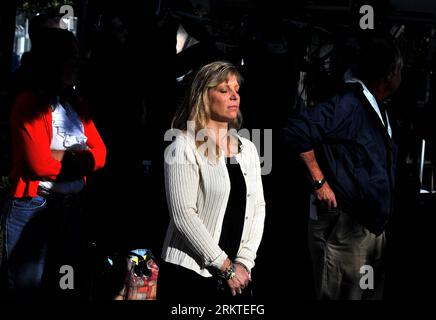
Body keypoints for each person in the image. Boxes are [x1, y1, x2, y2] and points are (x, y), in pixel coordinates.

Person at [285, 37, 403, 300]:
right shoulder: (348, 103)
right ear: (389, 73)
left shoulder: (377, 107)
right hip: (345, 231)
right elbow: (296, 131)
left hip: (371, 231)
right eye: (400, 70)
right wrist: (319, 182)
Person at [0, 28, 106, 299]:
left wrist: (60, 157)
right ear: (52, 62)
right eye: (70, 58)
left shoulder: (76, 104)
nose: (77, 65)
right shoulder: (29, 103)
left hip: (71, 210)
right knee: (28, 290)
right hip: (33, 209)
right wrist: (82, 158)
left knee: (65, 286)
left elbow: (102, 154)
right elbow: (38, 164)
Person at [158, 61, 266, 300]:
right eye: (224, 90)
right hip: (191, 276)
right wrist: (225, 266)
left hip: (238, 278)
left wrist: (244, 263)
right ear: (204, 96)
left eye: (236, 90)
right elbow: (184, 215)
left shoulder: (247, 148)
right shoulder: (183, 145)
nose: (234, 96)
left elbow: (258, 207)